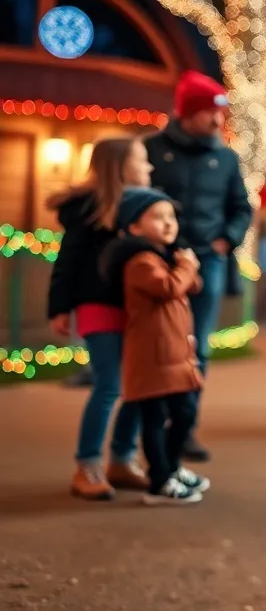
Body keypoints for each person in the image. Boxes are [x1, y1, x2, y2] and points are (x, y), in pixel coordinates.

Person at [143, 70, 252, 463]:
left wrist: (226, 240)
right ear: (189, 113)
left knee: (196, 346)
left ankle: (184, 429)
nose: (218, 121)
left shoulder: (225, 158)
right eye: (211, 113)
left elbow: (241, 207)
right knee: (155, 344)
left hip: (207, 262)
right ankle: (150, 428)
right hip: (159, 262)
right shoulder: (152, 149)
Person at [48, 138, 154, 500]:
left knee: (140, 386)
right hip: (97, 305)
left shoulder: (144, 209)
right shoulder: (88, 212)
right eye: (143, 160)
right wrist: (59, 307)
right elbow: (68, 261)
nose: (150, 167)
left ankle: (122, 459)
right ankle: (87, 464)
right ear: (119, 166)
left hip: (135, 309)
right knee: (109, 384)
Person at [102, 187, 210, 506]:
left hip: (173, 355)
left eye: (171, 217)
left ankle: (171, 467)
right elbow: (170, 287)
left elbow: (192, 285)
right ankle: (159, 482)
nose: (168, 223)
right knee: (155, 418)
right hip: (152, 356)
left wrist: (184, 265)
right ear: (134, 227)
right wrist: (187, 267)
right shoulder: (139, 261)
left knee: (185, 413)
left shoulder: (165, 257)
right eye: (157, 217)